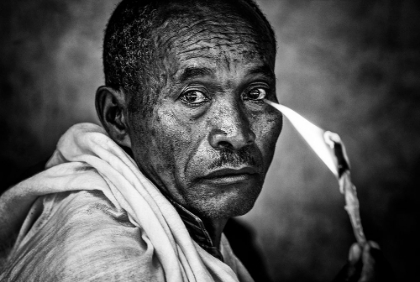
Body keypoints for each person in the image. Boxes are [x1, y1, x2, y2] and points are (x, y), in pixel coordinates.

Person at [0, 0, 391, 281]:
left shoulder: (222, 238)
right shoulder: (98, 257)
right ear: (118, 118)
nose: (237, 134)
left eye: (255, 93)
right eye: (193, 96)